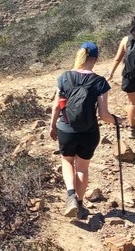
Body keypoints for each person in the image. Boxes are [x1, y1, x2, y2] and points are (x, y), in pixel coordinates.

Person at [49, 42, 124, 219]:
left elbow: (56, 107)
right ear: (95, 59)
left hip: (66, 130)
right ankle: (80, 205)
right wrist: (117, 120)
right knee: (82, 168)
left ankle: (70, 197)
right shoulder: (100, 82)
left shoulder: (64, 77)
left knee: (67, 161)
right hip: (89, 132)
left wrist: (52, 126)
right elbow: (104, 115)